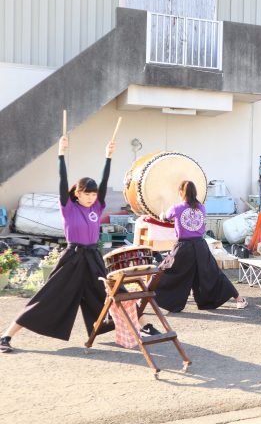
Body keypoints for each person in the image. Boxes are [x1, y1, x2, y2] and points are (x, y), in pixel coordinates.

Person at [1, 136, 159, 353]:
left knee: (117, 291)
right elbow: (62, 180)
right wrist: (61, 154)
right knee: (47, 296)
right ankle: (6, 336)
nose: (91, 197)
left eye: (93, 194)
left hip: (93, 257)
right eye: (87, 194)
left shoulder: (96, 207)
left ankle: (144, 325)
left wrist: (108, 156)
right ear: (77, 193)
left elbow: (104, 183)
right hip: (73, 258)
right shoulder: (68, 207)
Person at [155, 181, 247, 312]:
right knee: (214, 274)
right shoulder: (201, 207)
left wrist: (161, 214)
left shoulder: (176, 208)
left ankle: (148, 296)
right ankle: (239, 299)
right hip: (200, 246)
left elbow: (165, 218)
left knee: (168, 272)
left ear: (181, 193)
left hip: (184, 248)